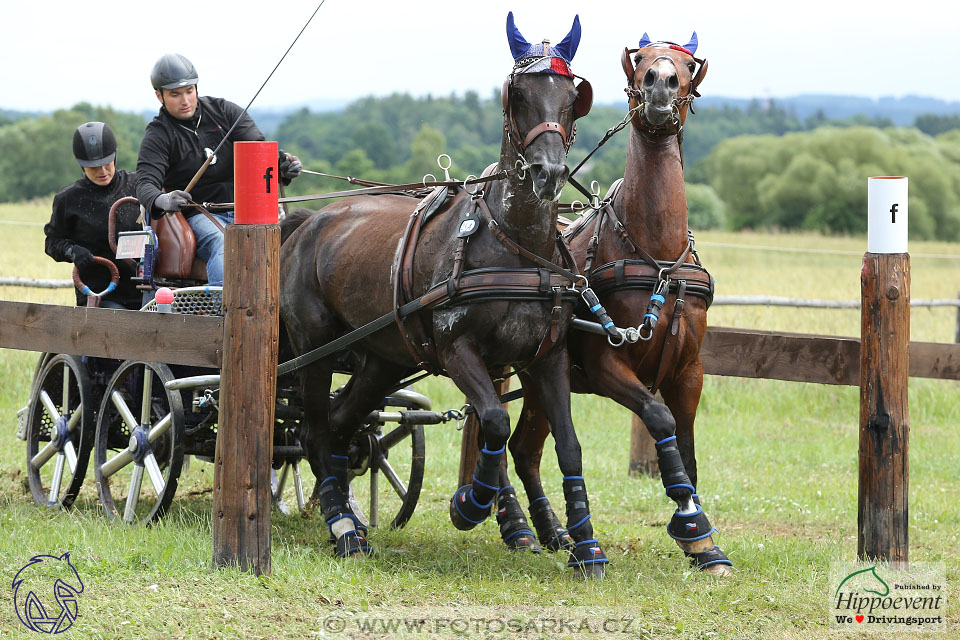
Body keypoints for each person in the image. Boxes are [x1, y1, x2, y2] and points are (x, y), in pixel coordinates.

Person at [135, 53, 301, 286]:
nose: (185, 100)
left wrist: (282, 165)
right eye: (175, 94)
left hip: (248, 209)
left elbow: (259, 152)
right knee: (225, 244)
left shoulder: (224, 111)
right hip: (201, 214)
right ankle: (223, 314)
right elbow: (144, 184)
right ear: (159, 96)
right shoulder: (158, 134)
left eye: (189, 91)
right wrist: (163, 200)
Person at [45, 122, 143, 309]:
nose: (102, 172)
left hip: (145, 287)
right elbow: (52, 242)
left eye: (106, 164)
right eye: (93, 167)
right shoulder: (68, 199)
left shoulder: (138, 185)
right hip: (101, 293)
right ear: (81, 165)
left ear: (114, 157)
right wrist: (73, 251)